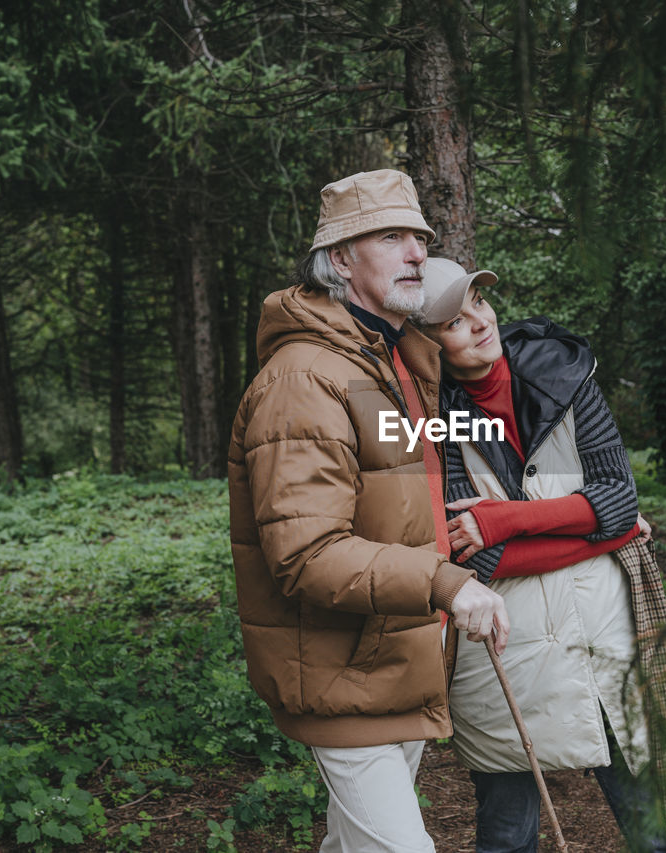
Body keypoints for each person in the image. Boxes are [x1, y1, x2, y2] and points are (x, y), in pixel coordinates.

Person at [227, 171, 510, 853]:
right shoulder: (303, 379)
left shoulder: (394, 360)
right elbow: (307, 554)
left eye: (420, 236)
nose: (417, 251)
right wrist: (446, 583)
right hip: (340, 669)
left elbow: (394, 483)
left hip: (395, 657)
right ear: (340, 261)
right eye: (391, 236)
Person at [416, 257, 666, 853]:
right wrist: (604, 534)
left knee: (643, 810)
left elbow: (617, 493)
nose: (479, 322)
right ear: (430, 345)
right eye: (454, 321)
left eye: (479, 303)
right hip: (504, 647)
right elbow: (472, 561)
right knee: (508, 827)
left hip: (598, 628)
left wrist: (508, 519)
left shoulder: (564, 373)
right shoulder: (435, 418)